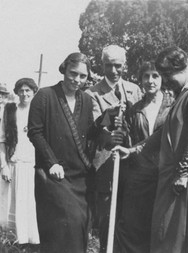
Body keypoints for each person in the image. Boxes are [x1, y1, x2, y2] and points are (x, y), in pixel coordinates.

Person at [115, 46, 188, 253]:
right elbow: (164, 132)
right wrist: (133, 150)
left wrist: (183, 172)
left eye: (166, 75)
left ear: (183, 68)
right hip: (178, 176)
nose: (165, 80)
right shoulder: (182, 94)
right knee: (172, 236)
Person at [28, 52, 95, 253]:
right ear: (64, 70)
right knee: (64, 226)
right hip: (53, 176)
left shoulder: (87, 100)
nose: (77, 80)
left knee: (80, 226)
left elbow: (89, 134)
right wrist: (52, 162)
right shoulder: (45, 96)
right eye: (73, 74)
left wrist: (107, 127)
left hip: (79, 177)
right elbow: (35, 132)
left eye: (83, 76)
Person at [84, 45, 143, 252]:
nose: (113, 70)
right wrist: (109, 134)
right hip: (106, 164)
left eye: (118, 66)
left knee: (131, 217)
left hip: (132, 162)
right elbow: (93, 128)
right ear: (102, 65)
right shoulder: (92, 93)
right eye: (108, 65)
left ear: (124, 65)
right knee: (108, 217)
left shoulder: (134, 90)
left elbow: (139, 125)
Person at [115, 61, 174, 253]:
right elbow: (127, 140)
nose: (150, 80)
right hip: (140, 173)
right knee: (133, 224)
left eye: (155, 75)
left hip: (165, 172)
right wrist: (118, 127)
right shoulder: (134, 110)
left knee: (161, 225)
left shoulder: (173, 107)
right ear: (140, 80)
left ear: (163, 78)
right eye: (146, 76)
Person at [0, 78, 40, 246]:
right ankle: (12, 242)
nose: (25, 94)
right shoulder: (9, 111)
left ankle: (31, 242)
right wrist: (4, 165)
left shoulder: (39, 111)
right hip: (12, 164)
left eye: (28, 90)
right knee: (10, 204)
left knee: (30, 204)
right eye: (21, 91)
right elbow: (1, 139)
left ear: (34, 92)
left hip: (32, 165)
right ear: (17, 92)